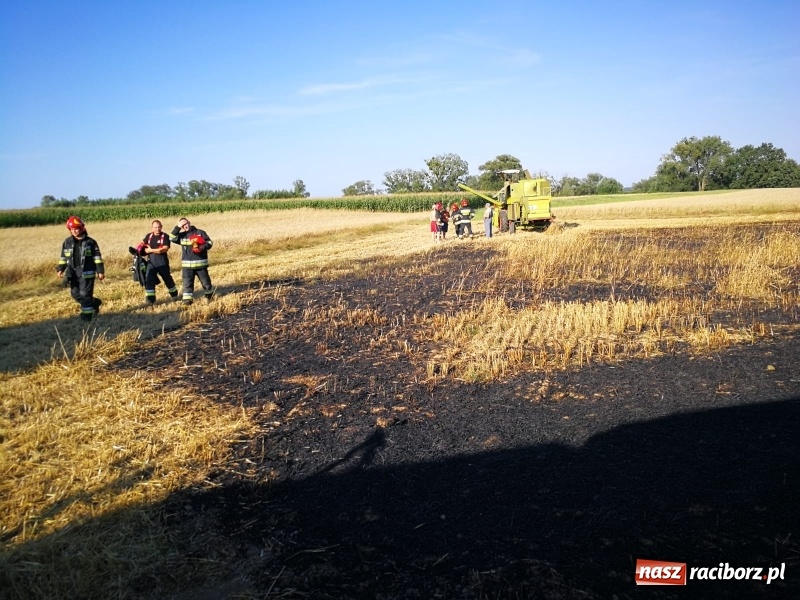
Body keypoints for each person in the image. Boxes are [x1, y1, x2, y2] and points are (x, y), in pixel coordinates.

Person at [57, 216, 105, 321]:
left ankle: (86, 316)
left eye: (76, 228)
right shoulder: (67, 242)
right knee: (75, 294)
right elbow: (63, 257)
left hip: (87, 273)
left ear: (82, 228)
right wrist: (60, 268)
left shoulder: (91, 242)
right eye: (72, 229)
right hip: (72, 273)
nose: (74, 231)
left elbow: (97, 258)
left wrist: (100, 271)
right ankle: (94, 302)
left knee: (85, 294)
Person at [170, 217, 214, 305]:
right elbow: (172, 238)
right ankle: (187, 301)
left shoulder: (200, 233)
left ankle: (209, 297)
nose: (185, 226)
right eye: (182, 225)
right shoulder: (182, 236)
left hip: (200, 264)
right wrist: (177, 227)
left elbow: (209, 243)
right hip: (187, 267)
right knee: (187, 284)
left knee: (206, 283)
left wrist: (202, 247)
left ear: (189, 223)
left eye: (185, 224)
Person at [142, 219, 178, 305]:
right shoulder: (148, 236)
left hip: (162, 261)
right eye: (155, 227)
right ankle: (150, 300)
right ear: (152, 228)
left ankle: (174, 295)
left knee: (167, 279)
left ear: (161, 227)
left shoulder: (165, 236)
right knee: (149, 279)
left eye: (159, 227)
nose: (157, 229)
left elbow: (164, 249)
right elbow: (143, 247)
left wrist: (150, 250)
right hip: (151, 261)